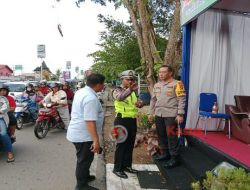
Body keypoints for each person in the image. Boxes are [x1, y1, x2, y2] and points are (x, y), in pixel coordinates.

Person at [67, 73, 105, 190]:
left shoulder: (81, 91)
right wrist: (96, 140)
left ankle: (85, 176)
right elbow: (89, 121)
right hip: (84, 135)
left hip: (78, 132)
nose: (103, 86)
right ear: (98, 84)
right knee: (83, 160)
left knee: (86, 158)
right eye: (103, 84)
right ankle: (81, 185)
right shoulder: (90, 98)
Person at [148, 65, 186, 168]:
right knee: (161, 135)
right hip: (159, 113)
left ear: (170, 73)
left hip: (171, 114)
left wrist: (180, 114)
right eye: (160, 72)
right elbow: (153, 100)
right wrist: (151, 113)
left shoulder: (177, 84)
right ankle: (165, 154)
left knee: (171, 136)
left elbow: (181, 99)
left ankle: (174, 158)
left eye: (164, 72)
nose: (161, 74)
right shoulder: (157, 85)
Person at [112, 70, 143, 179]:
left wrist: (139, 104)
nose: (130, 81)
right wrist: (130, 89)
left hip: (132, 120)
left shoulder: (133, 92)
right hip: (121, 120)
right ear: (122, 80)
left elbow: (135, 104)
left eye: (132, 79)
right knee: (121, 145)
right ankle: (117, 168)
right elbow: (119, 97)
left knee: (130, 144)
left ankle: (126, 166)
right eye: (128, 79)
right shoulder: (117, 90)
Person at [0, 86, 15, 163]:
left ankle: (10, 152)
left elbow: (6, 108)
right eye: (1, 90)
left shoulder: (4, 99)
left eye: (4, 90)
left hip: (1, 118)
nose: (2, 92)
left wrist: (1, 111)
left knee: (3, 133)